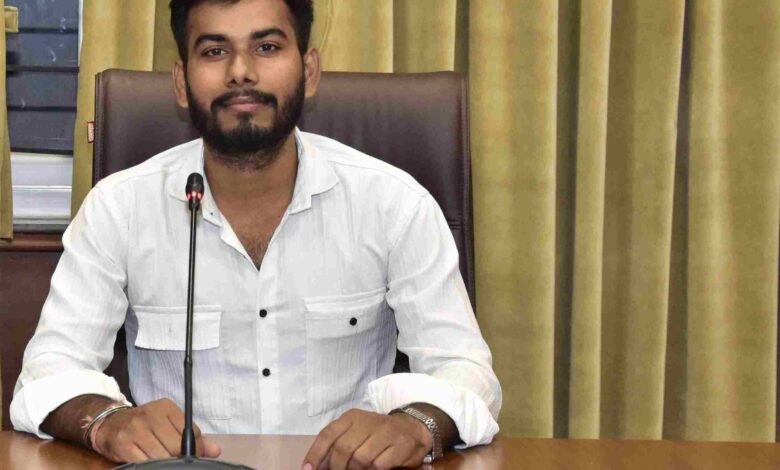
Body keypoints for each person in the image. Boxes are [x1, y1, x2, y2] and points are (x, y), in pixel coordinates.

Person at [10, 0, 501, 468]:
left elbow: (465, 371)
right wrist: (106, 422)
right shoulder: (119, 209)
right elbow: (47, 372)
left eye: (267, 47)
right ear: (181, 82)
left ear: (309, 71)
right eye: (214, 50)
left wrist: (416, 425)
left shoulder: (394, 203)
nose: (240, 71)